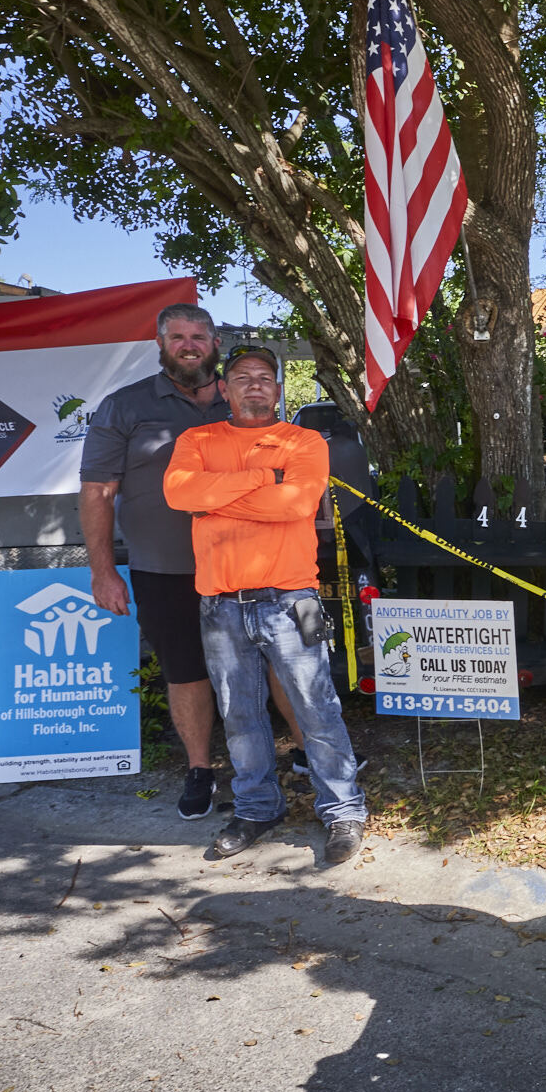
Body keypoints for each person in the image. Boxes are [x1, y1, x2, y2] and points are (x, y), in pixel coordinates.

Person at [79, 303, 304, 821]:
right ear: (160, 345)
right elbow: (97, 492)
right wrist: (102, 569)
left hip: (255, 567)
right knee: (185, 672)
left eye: (198, 336)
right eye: (176, 336)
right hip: (167, 568)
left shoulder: (244, 400)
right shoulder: (125, 406)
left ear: (214, 344)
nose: (188, 345)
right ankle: (201, 769)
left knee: (281, 663)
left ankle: (308, 753)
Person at [163, 347, 370, 865]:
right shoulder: (197, 439)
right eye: (242, 377)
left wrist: (215, 496)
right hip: (220, 603)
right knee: (238, 714)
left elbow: (297, 503)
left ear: (278, 390)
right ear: (224, 389)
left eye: (265, 378)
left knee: (317, 706)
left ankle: (342, 809)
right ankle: (257, 808)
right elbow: (178, 492)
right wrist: (261, 480)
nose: (254, 384)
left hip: (292, 598)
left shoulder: (303, 441)